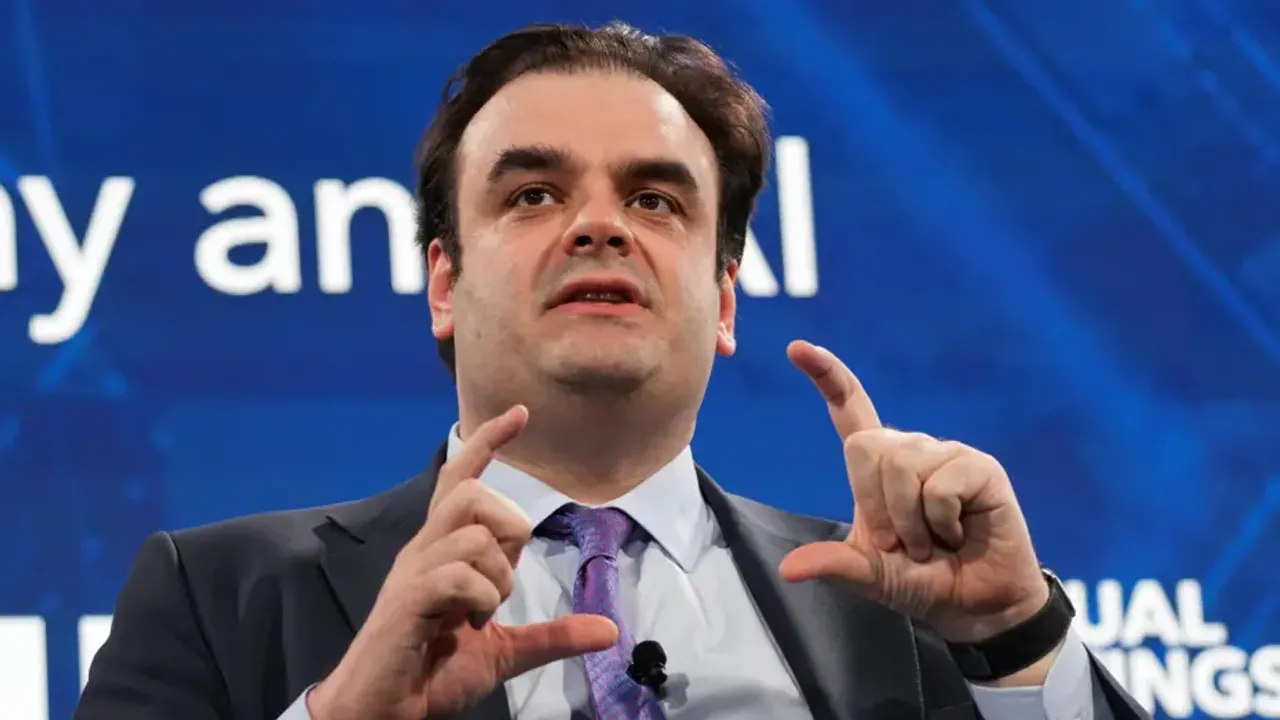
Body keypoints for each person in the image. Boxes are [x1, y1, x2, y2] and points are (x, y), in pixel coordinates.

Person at [74, 21, 1151, 720]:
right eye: (533, 195)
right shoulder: (217, 596)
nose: (600, 226)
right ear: (443, 283)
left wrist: (1015, 636)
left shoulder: (900, 608)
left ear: (722, 299)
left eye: (654, 199)